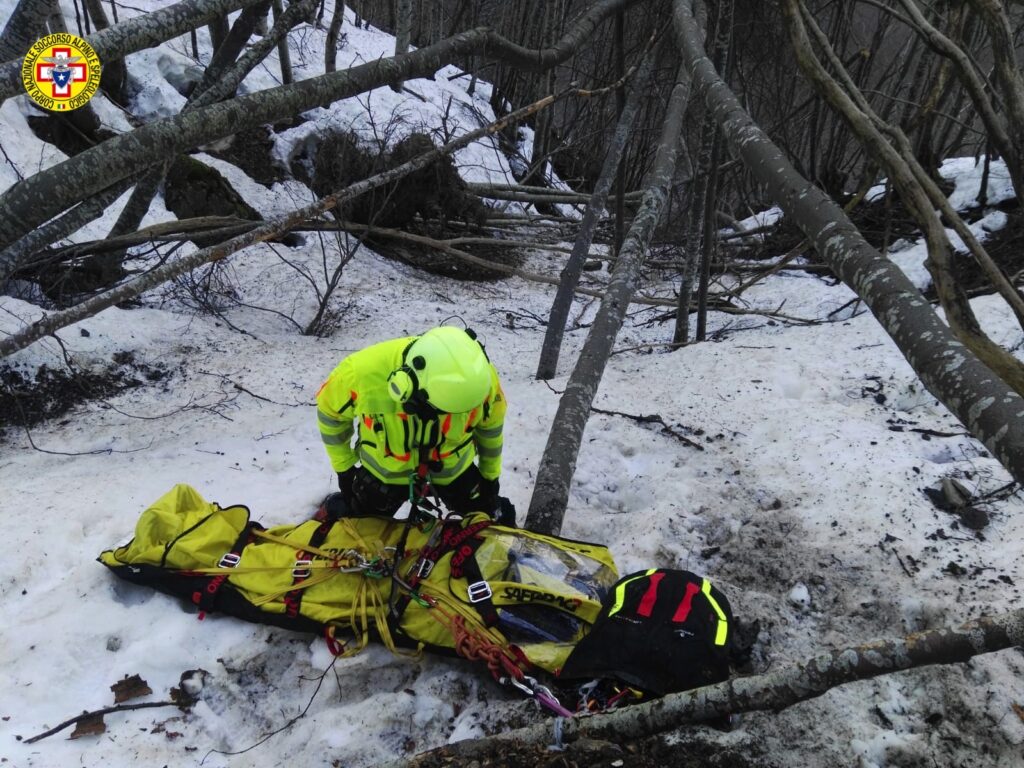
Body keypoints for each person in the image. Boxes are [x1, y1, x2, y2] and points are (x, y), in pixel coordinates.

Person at [316, 325, 513, 523]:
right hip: (384, 475)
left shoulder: (481, 380)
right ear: (405, 384)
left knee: (491, 519)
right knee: (354, 527)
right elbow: (330, 415)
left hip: (454, 472)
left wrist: (490, 476)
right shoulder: (359, 373)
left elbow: (491, 429)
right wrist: (345, 468)